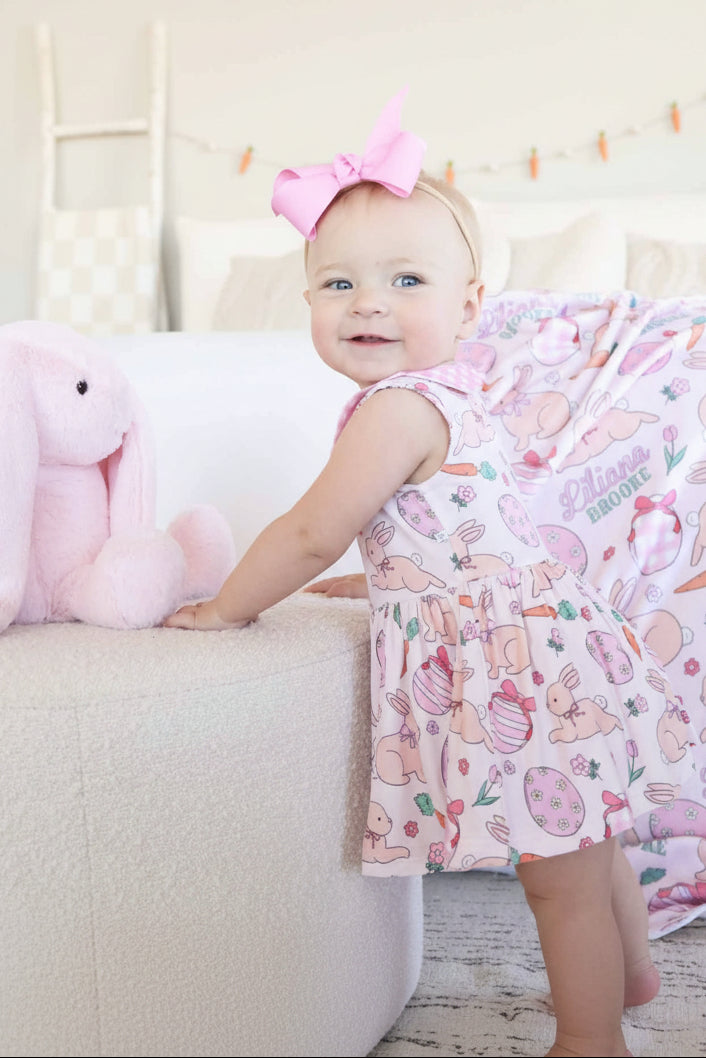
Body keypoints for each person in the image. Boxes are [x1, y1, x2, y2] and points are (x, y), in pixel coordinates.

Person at [165, 90, 696, 1057]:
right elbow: (452, 537)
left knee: (557, 877)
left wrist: (227, 608)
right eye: (339, 285)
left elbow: (313, 530)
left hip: (524, 669)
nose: (368, 302)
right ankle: (636, 976)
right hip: (554, 641)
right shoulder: (456, 398)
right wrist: (377, 586)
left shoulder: (396, 410)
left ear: (471, 305)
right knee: (592, 838)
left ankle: (593, 1038)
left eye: (406, 279)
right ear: (311, 303)